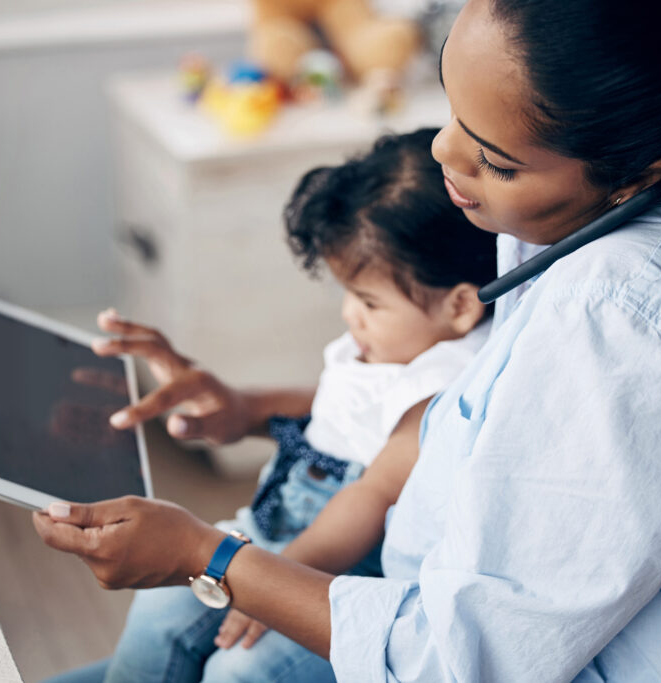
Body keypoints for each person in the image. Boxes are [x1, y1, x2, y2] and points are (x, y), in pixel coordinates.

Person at [34, 0, 661, 680]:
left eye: (495, 159)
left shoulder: (621, 326)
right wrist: (253, 408)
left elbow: (455, 661)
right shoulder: (584, 214)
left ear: (636, 178)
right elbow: (463, 412)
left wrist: (207, 556)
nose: (442, 151)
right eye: (453, 106)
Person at [51, 128, 498, 683]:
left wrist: (266, 579)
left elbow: (371, 495)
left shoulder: (444, 383)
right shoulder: (398, 337)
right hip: (275, 527)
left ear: (458, 305)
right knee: (158, 611)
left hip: (336, 563)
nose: (348, 315)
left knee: (240, 670)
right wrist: (243, 406)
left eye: (367, 300)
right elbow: (341, 409)